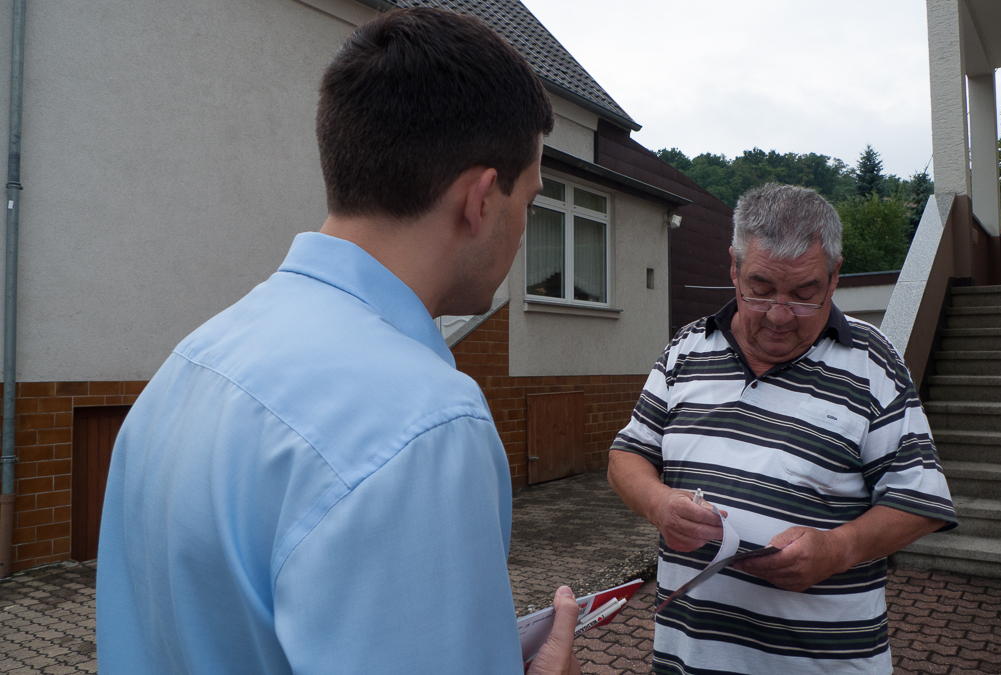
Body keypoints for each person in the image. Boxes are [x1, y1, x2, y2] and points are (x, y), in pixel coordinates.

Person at [96, 9, 582, 675]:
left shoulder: (187, 366)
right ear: (482, 198)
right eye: (529, 199)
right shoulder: (424, 426)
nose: (524, 232)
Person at [608, 183, 957, 674]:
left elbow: (920, 502)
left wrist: (837, 549)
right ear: (733, 267)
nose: (777, 315)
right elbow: (627, 455)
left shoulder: (873, 363)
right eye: (761, 288)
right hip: (686, 661)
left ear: (834, 277)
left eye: (803, 295)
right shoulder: (687, 349)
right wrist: (657, 503)